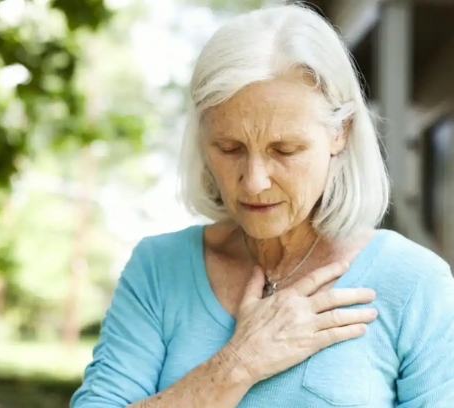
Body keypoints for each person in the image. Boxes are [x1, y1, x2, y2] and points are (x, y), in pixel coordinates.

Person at [71, 4, 454, 408]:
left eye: (284, 150)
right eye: (230, 148)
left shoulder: (413, 282)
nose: (254, 181)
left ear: (340, 132)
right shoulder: (159, 268)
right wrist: (238, 363)